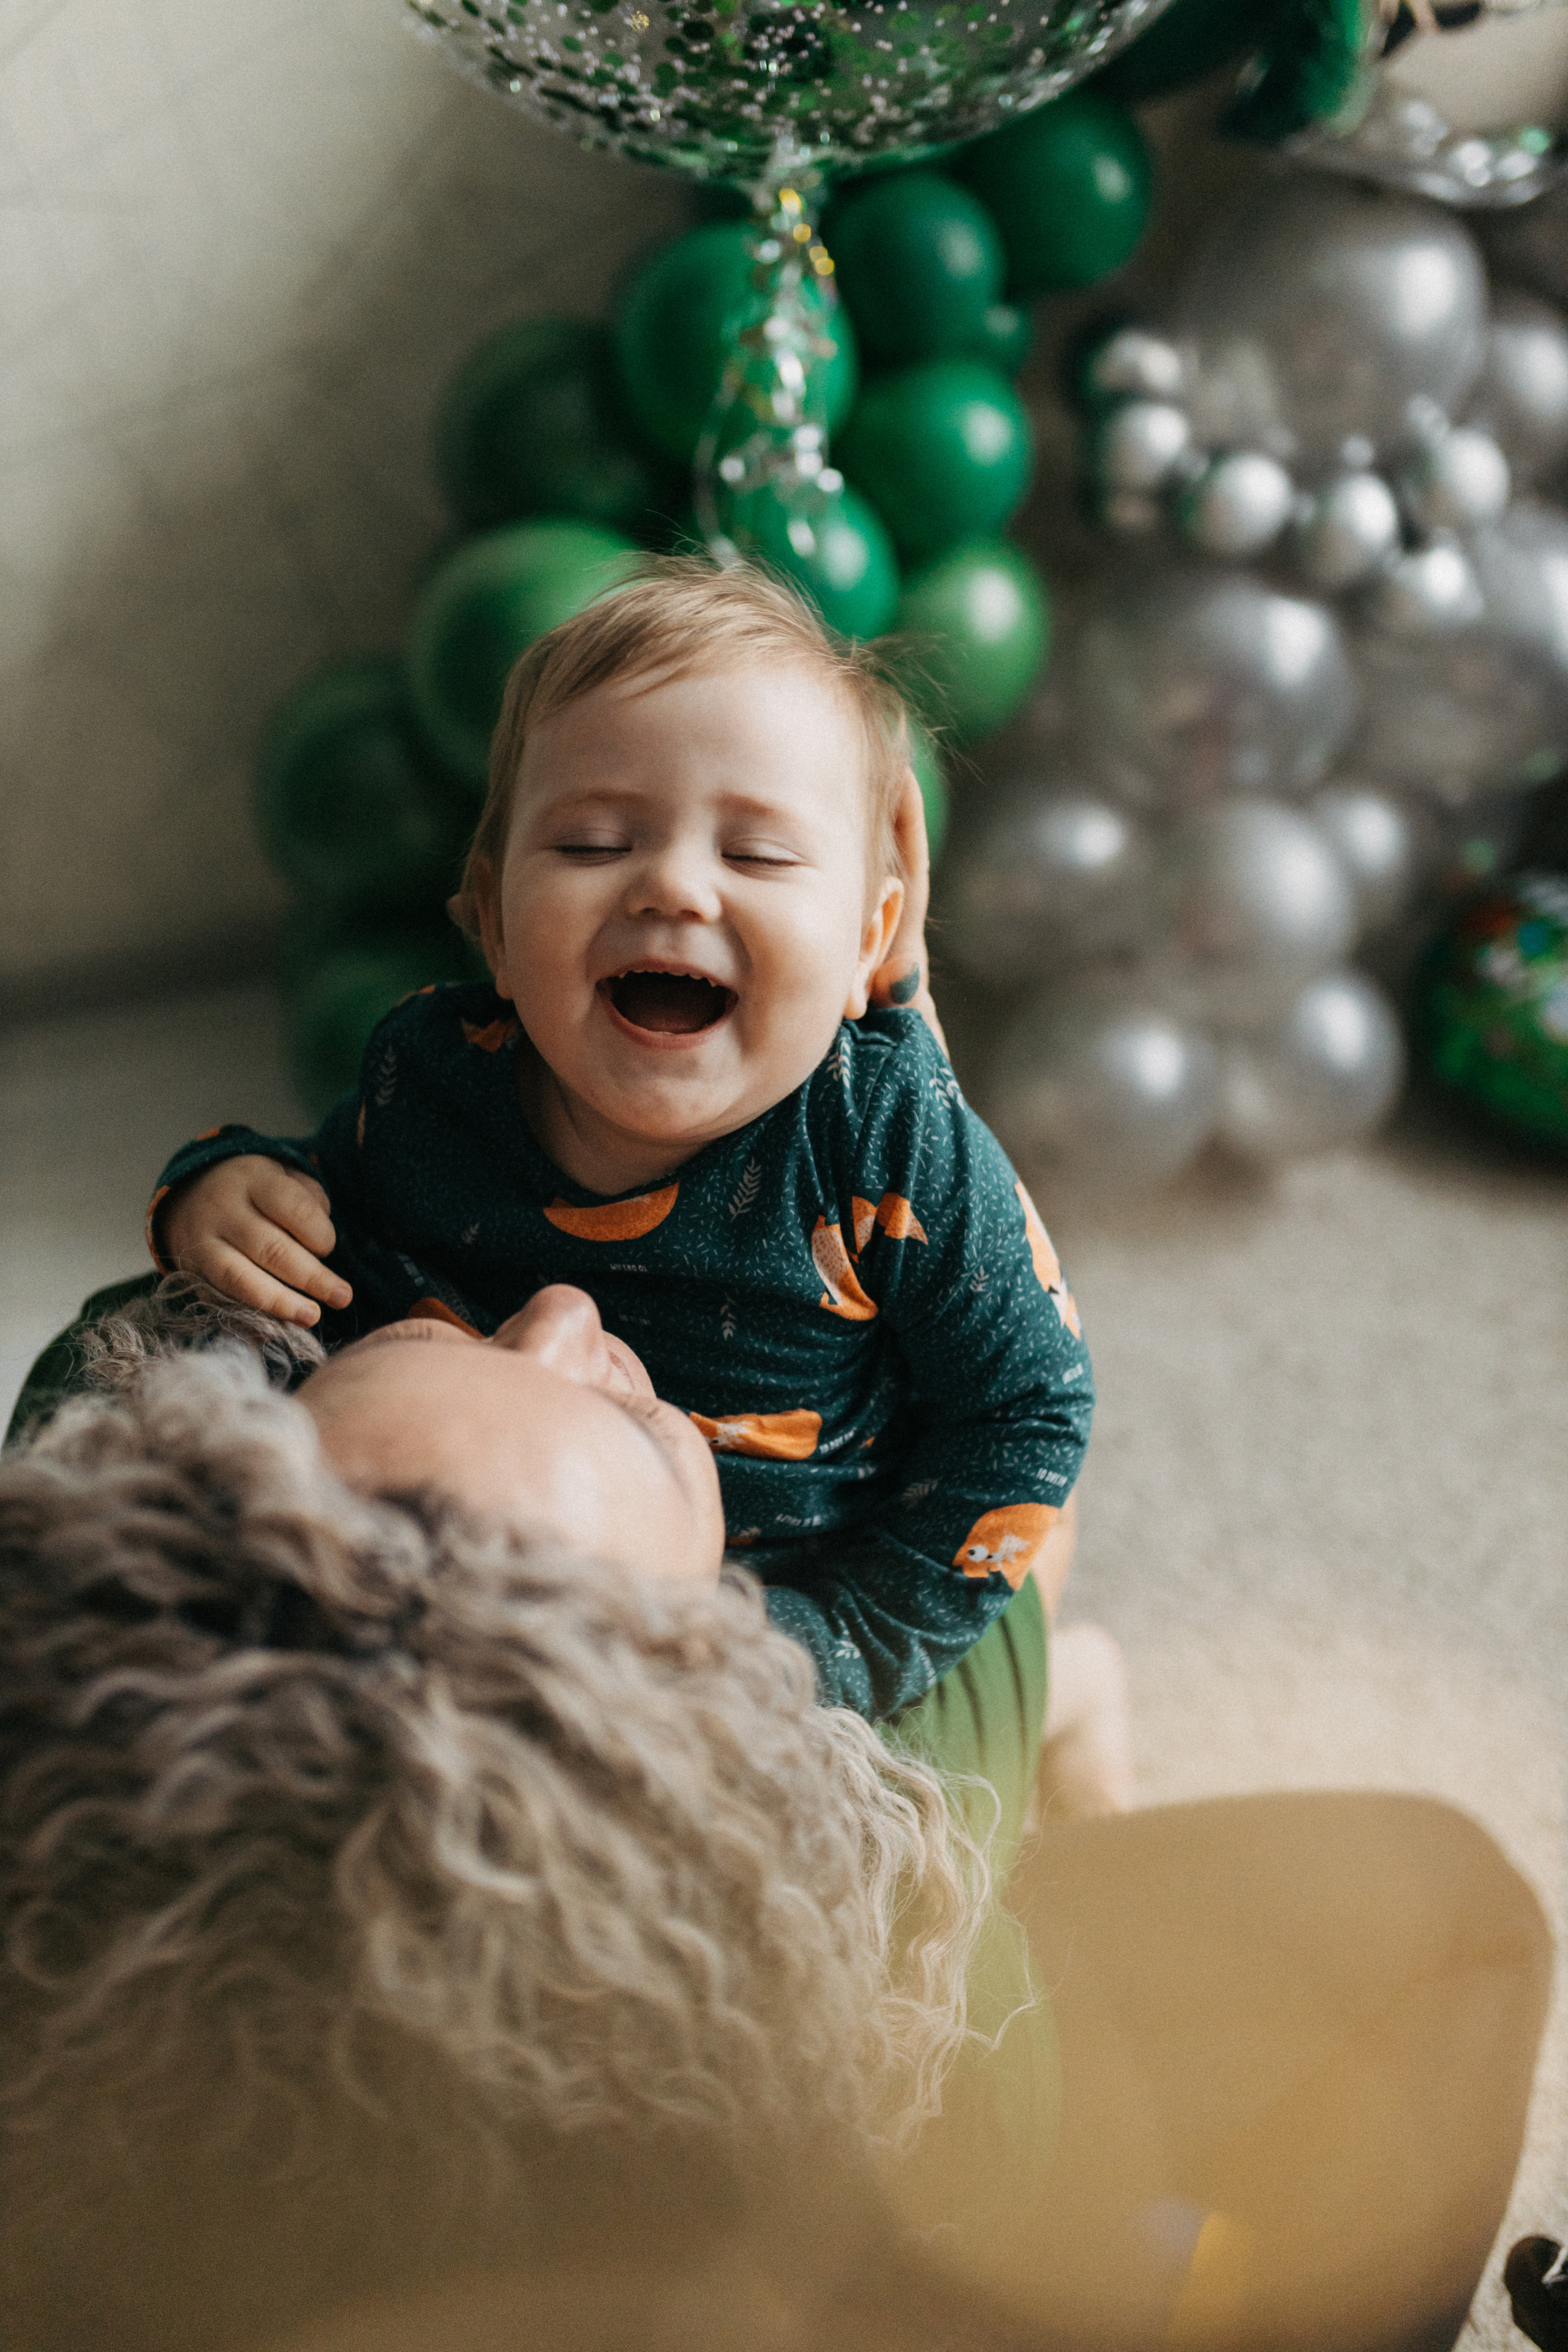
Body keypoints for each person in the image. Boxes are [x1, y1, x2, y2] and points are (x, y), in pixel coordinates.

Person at [0, 1290, 1552, 2352]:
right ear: (717, 1735)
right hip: (973, 2195)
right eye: (629, 1428)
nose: (566, 1311)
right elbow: (1005, 1551)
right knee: (1446, 1909)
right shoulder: (859, 1933)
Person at [143, 559, 1097, 1730]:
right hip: (538, 1571)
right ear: (493, 925)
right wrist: (217, 1189)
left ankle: (1076, 1694)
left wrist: (842, 1647)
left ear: (866, 943)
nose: (673, 887)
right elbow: (308, 1215)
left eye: (757, 855)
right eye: (595, 843)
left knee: (1006, 1674)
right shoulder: (434, 1081)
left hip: (810, 1595)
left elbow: (1028, 1407)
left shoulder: (886, 1136)